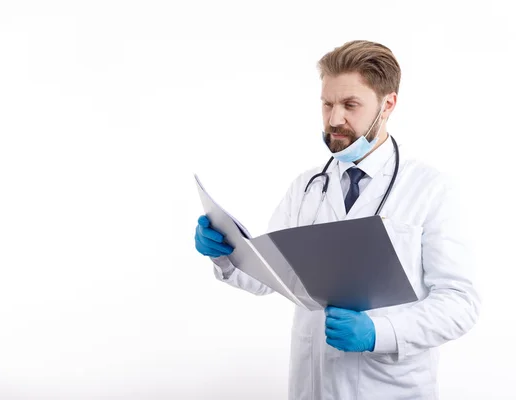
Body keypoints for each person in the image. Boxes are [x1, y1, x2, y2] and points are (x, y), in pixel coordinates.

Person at [194, 40, 480, 399]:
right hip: (312, 386)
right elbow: (271, 278)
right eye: (327, 104)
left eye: (350, 105)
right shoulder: (307, 187)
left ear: (388, 104)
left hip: (391, 389)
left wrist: (381, 332)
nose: (334, 119)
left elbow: (460, 303)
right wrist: (227, 253)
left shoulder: (431, 189)